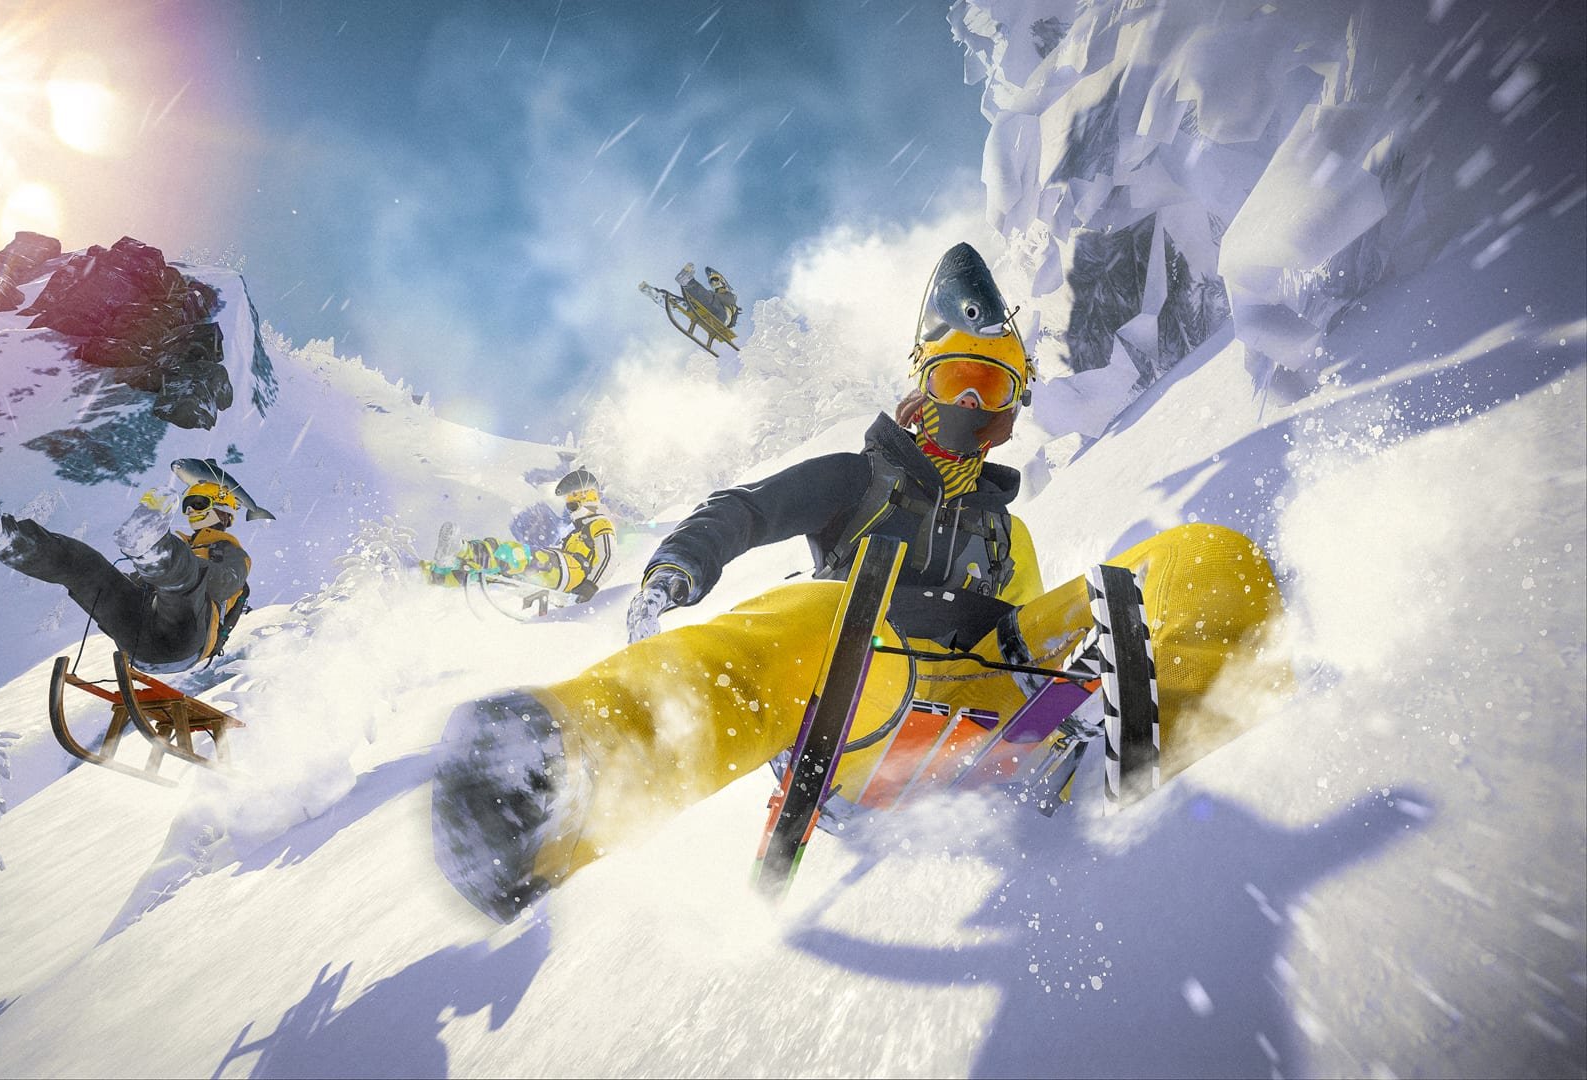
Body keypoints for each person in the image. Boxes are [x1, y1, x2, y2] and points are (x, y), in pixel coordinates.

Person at [430, 243, 1286, 922]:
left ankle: (1166, 728)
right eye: (966, 382)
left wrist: (1078, 666)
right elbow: (748, 510)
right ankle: (564, 778)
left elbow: (1027, 636)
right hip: (860, 701)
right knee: (821, 607)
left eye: (1005, 391)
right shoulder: (860, 478)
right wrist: (674, 570)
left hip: (985, 703)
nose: (986, 411)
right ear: (925, 383)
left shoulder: (1006, 528)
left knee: (1191, 555)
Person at [0, 463, 256, 674]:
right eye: (187, 505)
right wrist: (118, 583)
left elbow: (221, 584)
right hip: (139, 640)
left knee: (183, 582)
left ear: (223, 508)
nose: (190, 511)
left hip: (185, 642)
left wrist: (175, 567)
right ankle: (3, 537)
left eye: (199, 503)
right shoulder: (183, 547)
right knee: (88, 568)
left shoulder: (233, 554)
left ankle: (156, 554)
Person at [424, 468, 617, 602]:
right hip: (564, 572)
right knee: (498, 572)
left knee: (513, 555)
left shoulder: (600, 523)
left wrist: (590, 587)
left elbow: (608, 557)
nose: (569, 509)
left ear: (586, 498)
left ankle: (463, 550)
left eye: (572, 504)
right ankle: (441, 575)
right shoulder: (576, 533)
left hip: (570, 572)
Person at [677, 263, 740, 330]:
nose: (713, 283)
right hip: (712, 316)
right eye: (711, 282)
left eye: (715, 280)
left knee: (709, 298)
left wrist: (709, 294)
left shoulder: (730, 296)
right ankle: (687, 298)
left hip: (722, 317)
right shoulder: (716, 296)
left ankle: (687, 282)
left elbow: (712, 299)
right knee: (703, 300)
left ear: (722, 282)